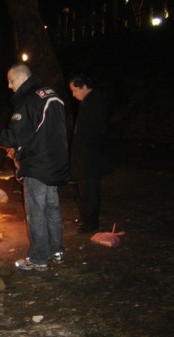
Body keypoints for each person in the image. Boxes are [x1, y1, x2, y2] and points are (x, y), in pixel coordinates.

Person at [0, 63, 69, 271]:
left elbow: (14, 134)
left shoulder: (28, 100)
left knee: (36, 212)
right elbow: (40, 133)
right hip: (55, 162)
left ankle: (39, 258)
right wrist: (20, 149)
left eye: (11, 80)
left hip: (37, 166)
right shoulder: (51, 94)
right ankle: (56, 250)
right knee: (52, 208)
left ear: (23, 77)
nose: (8, 85)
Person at [69, 74, 112, 233]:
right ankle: (85, 218)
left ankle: (91, 222)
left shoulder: (96, 102)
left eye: (74, 90)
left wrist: (85, 155)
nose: (73, 94)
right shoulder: (87, 102)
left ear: (84, 86)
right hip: (85, 156)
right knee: (83, 189)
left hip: (91, 157)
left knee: (90, 190)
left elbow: (95, 132)